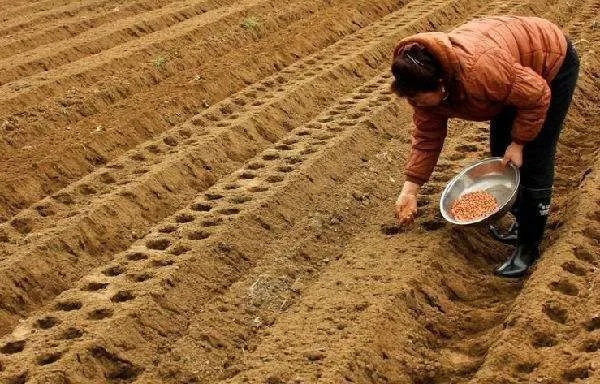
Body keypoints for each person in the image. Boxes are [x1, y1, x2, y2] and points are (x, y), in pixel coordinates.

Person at [391, 16, 580, 278]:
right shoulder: (423, 88)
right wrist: (410, 189)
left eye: (417, 98)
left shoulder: (480, 72)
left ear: (441, 85)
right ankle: (520, 221)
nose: (415, 103)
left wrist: (520, 142)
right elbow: (427, 136)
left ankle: (528, 245)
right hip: (511, 73)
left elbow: (536, 96)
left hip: (550, 64)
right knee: (500, 153)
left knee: (535, 155)